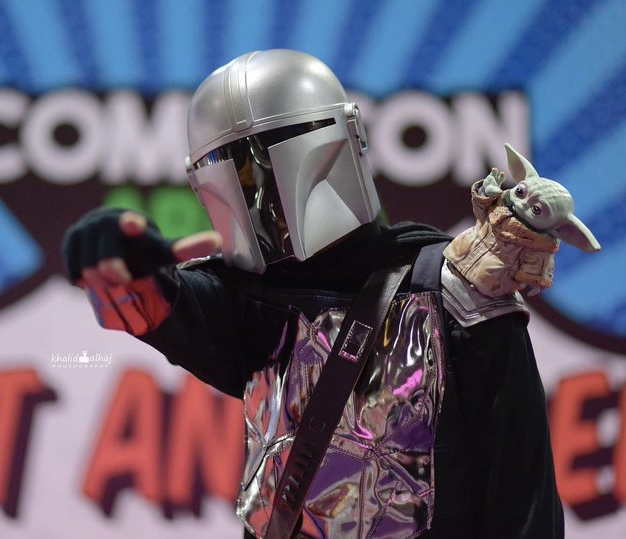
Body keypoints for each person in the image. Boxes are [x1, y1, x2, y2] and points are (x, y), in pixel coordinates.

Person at [63, 49, 564, 538]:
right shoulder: (249, 304)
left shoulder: (457, 296)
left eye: (273, 152)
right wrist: (111, 247)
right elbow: (162, 302)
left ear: (343, 138)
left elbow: (523, 501)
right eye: (236, 169)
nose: (263, 195)